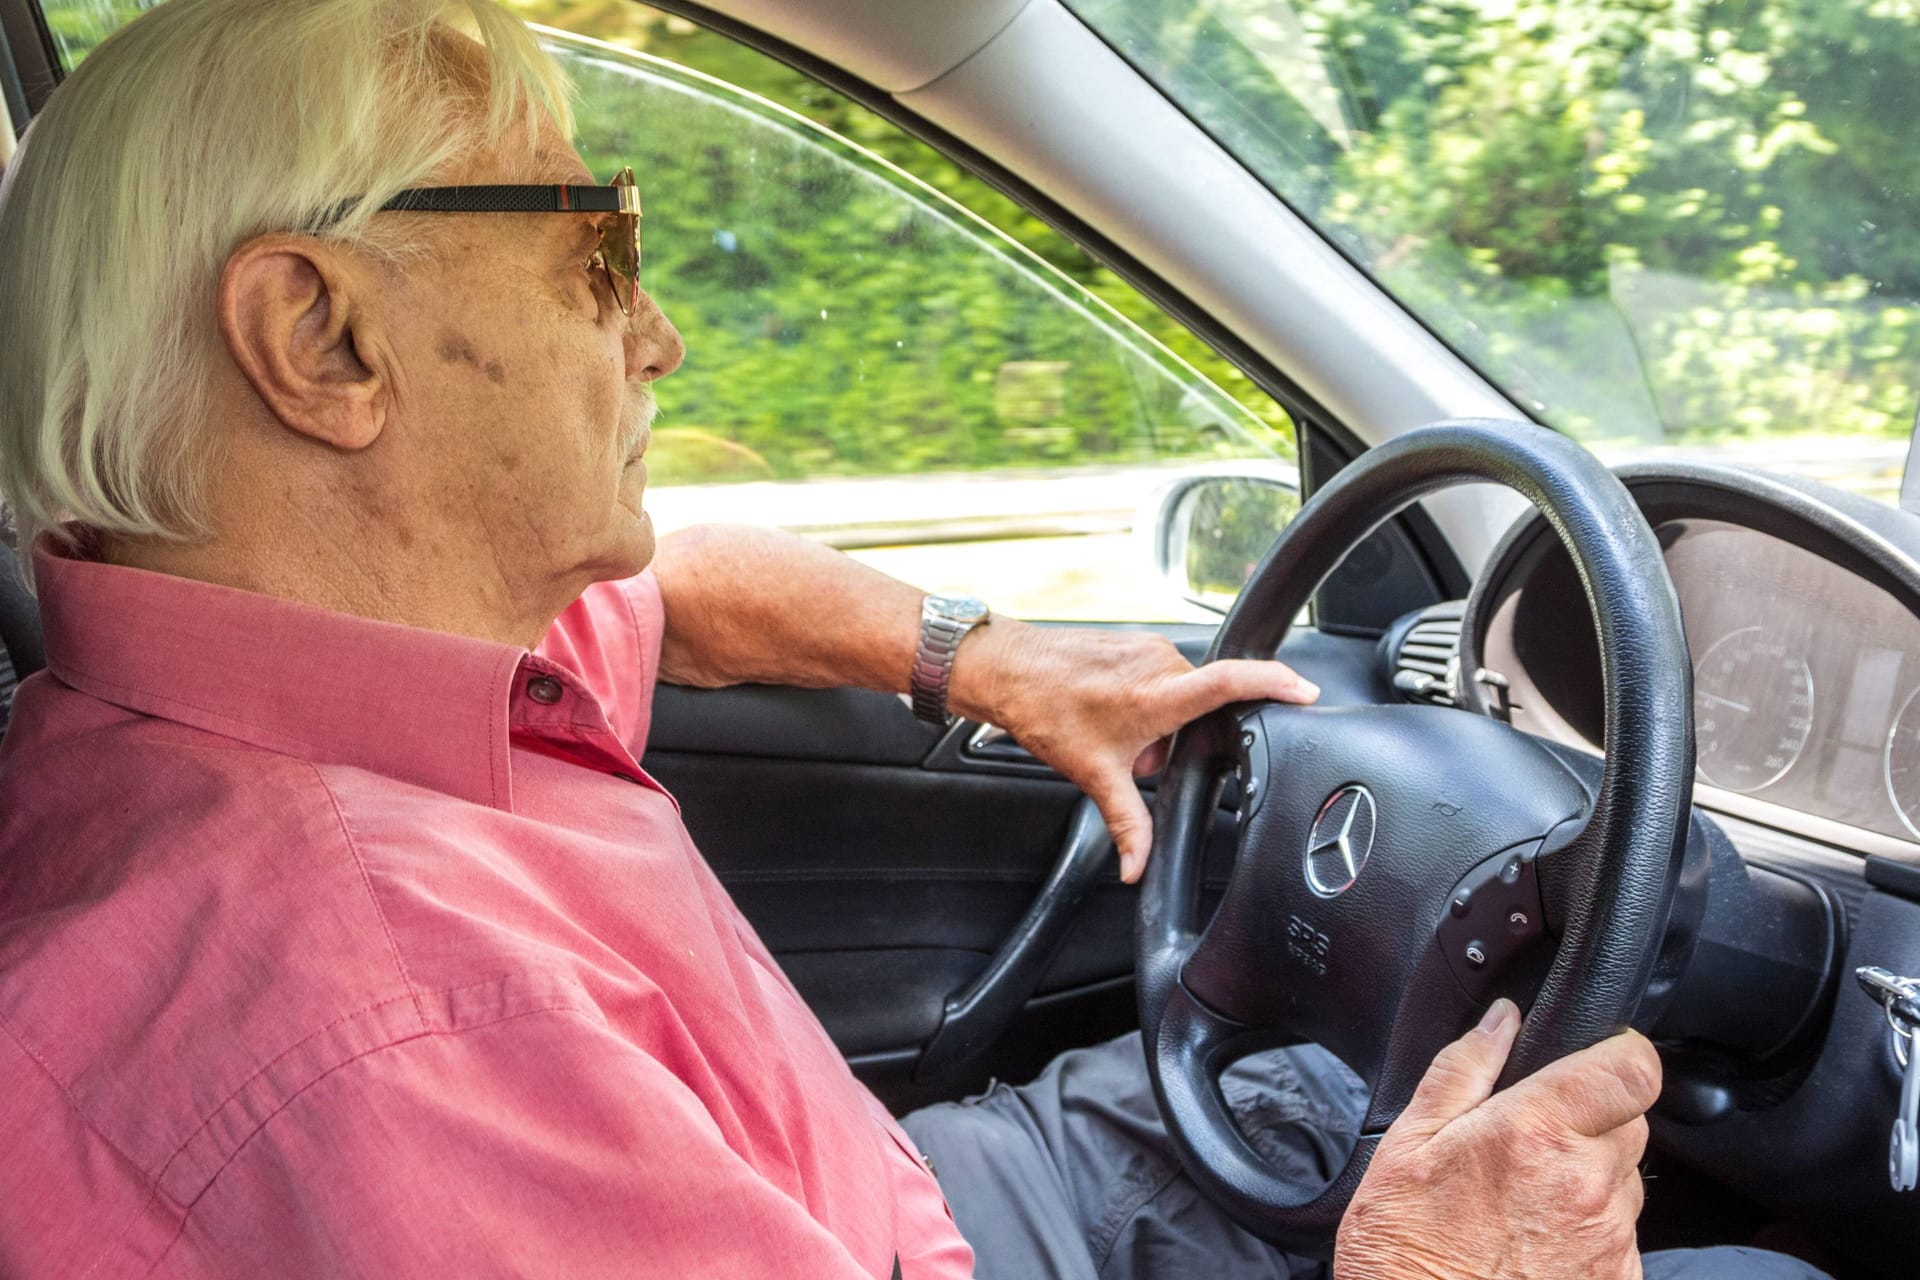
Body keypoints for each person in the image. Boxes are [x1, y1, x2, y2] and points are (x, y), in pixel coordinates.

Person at [0, 2, 1830, 1277]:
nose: (658, 340)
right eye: (593, 254)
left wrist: (987, 658)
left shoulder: (293, 680)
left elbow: (681, 588)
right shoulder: (394, 1044)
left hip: (853, 1204)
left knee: (1298, 1093)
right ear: (321, 344)